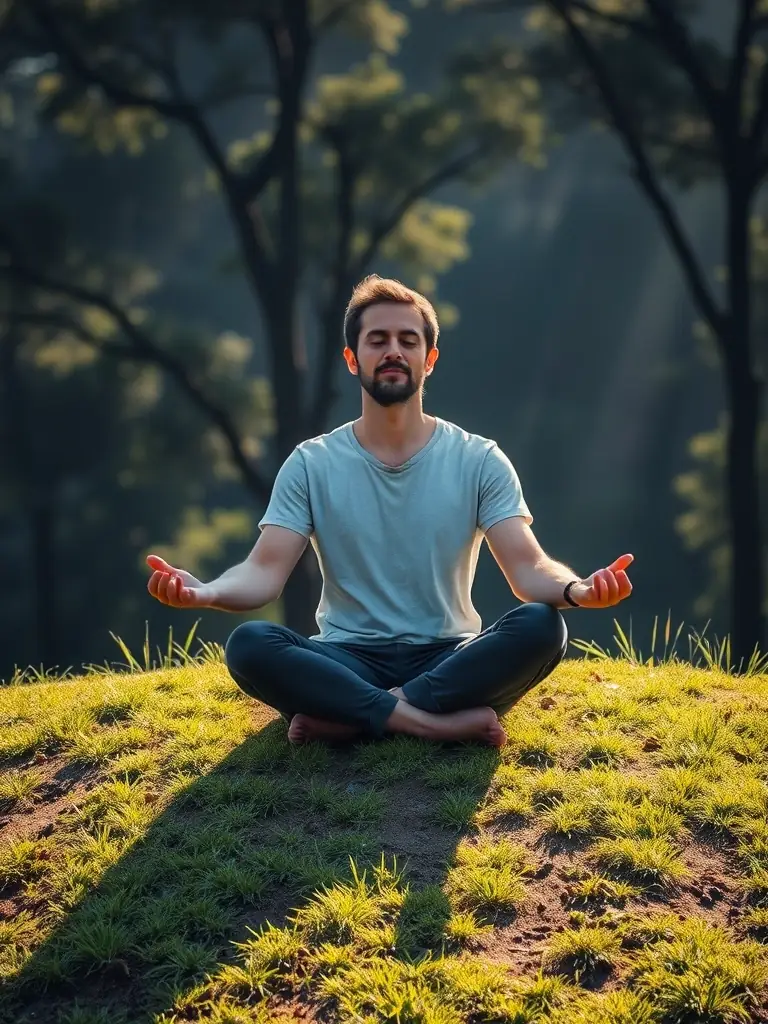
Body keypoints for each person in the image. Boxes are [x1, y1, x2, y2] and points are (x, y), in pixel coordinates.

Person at [146, 276, 633, 747]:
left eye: (408, 340)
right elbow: (263, 572)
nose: (393, 351)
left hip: (448, 655)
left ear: (430, 359)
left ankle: (355, 717)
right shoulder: (311, 463)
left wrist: (577, 590)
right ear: (352, 358)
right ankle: (433, 724)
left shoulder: (479, 459)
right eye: (377, 340)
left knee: (542, 626)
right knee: (250, 644)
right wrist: (206, 591)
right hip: (345, 658)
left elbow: (528, 567)